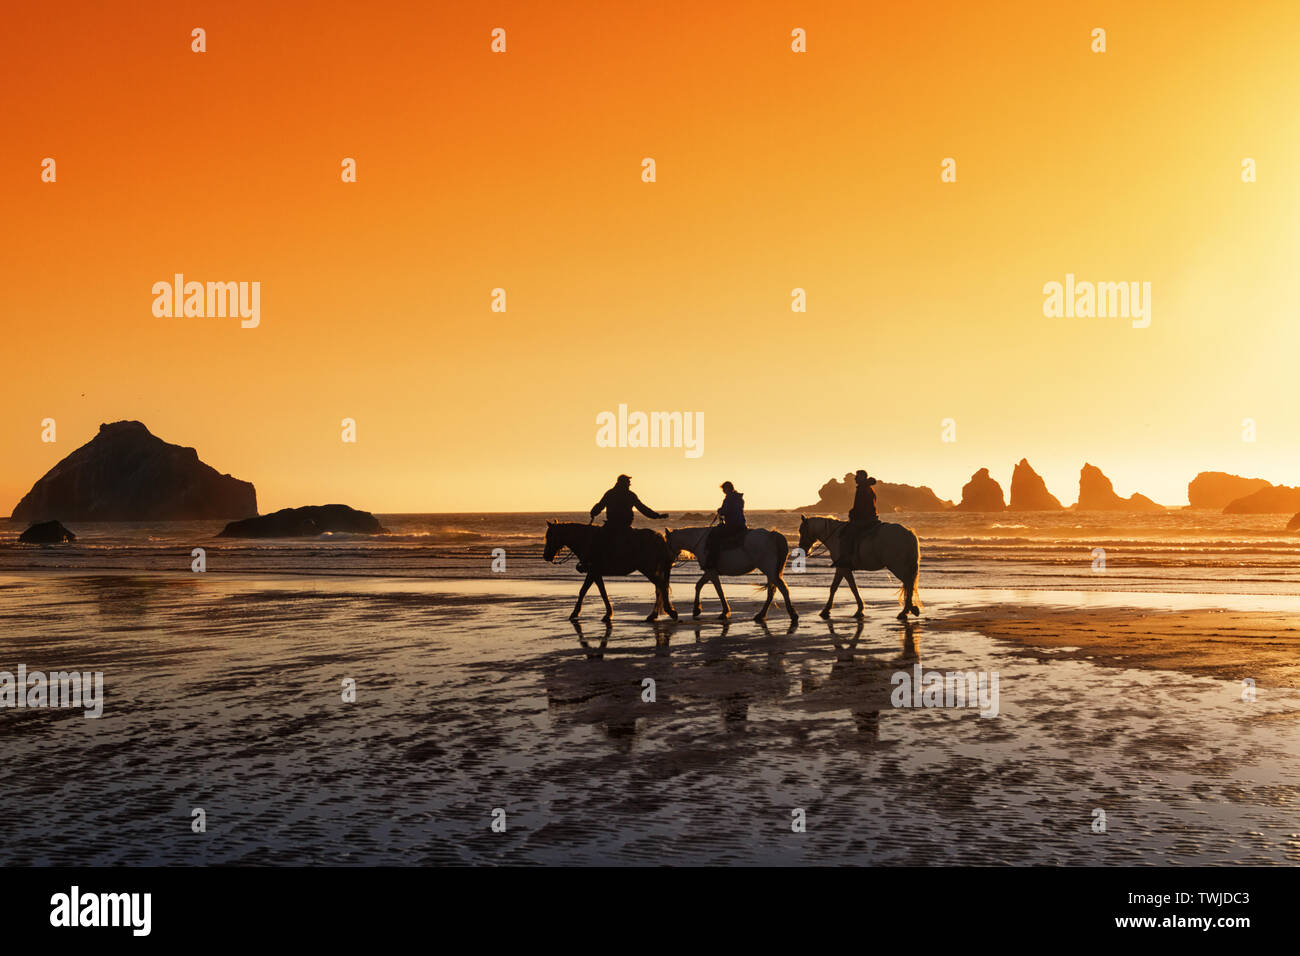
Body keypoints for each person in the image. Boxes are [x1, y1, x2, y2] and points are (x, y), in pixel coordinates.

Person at [582, 475, 668, 573]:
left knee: (596, 540)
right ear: (624, 483)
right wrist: (657, 516)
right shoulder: (630, 495)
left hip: (612, 525)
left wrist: (593, 512)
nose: (629, 485)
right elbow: (643, 508)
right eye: (628, 483)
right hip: (624, 526)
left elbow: (600, 505)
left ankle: (590, 564)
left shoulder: (610, 493)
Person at [839, 469, 881, 568]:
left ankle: (848, 558)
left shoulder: (862, 488)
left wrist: (853, 514)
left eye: (857, 476)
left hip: (865, 519)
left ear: (862, 477)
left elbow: (860, 507)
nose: (855, 478)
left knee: (847, 535)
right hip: (872, 517)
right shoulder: (868, 488)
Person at [703, 481, 747, 569]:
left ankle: (713, 561)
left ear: (727, 489)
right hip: (741, 523)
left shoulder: (729, 498)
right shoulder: (738, 497)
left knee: (714, 536)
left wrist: (720, 510)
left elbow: (726, 510)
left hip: (732, 524)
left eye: (724, 489)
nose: (723, 491)